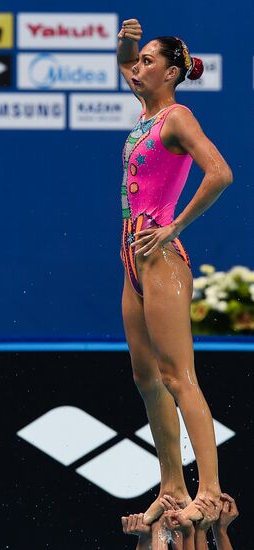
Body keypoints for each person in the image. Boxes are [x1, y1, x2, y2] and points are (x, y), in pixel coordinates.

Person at [116, 18, 233, 525]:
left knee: (177, 376)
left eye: (147, 62)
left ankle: (209, 489)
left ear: (170, 72)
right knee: (147, 379)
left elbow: (221, 173)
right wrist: (129, 42)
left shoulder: (177, 118)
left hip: (161, 258)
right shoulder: (146, 112)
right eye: (138, 63)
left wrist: (174, 226)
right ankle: (170, 487)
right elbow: (123, 61)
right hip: (131, 260)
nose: (137, 69)